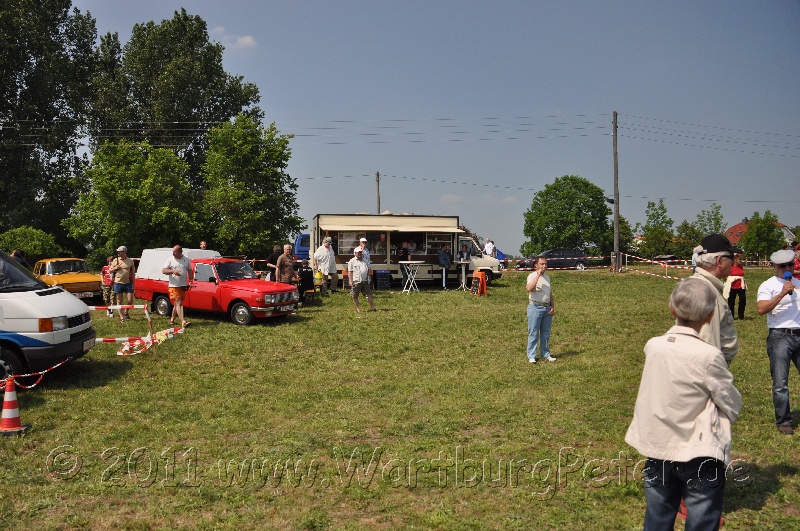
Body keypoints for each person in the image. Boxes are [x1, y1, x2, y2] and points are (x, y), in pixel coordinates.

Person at [626, 278, 742, 529]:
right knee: (701, 520)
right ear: (711, 315)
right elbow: (730, 401)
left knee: (657, 518)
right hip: (699, 452)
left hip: (659, 448)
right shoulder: (709, 355)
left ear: (671, 309)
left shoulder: (654, 346)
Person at [756, 248, 800, 435]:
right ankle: (784, 421)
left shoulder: (798, 283)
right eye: (783, 266)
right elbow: (761, 309)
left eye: (790, 264)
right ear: (775, 266)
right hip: (779, 336)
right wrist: (782, 293)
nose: (787, 268)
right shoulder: (768, 285)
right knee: (780, 382)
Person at [690, 234, 742, 366]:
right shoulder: (705, 292)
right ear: (719, 261)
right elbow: (706, 342)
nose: (733, 262)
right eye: (731, 257)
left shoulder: (702, 285)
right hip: (710, 373)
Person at [525, 256, 556, 363]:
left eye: (545, 264)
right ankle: (532, 356)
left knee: (545, 333)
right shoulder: (531, 276)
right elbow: (529, 288)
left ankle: (545, 354)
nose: (544, 266)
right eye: (542, 264)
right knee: (533, 332)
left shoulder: (547, 278)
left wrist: (552, 306)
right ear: (536, 265)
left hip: (546, 308)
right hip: (535, 307)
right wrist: (537, 276)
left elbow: (550, 293)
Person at [162, 245, 193, 328]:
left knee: (177, 303)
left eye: (175, 251)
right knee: (179, 302)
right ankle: (183, 321)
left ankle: (172, 319)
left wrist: (190, 281)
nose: (173, 253)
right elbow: (164, 270)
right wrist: (173, 271)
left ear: (180, 252)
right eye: (173, 251)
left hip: (183, 285)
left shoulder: (186, 260)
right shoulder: (170, 259)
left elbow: (190, 270)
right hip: (173, 285)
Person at [110, 245, 136, 322]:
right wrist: (116, 268)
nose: (118, 252)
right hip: (118, 283)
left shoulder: (130, 261)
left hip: (128, 283)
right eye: (117, 251)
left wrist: (134, 284)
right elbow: (110, 271)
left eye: (119, 251)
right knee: (119, 301)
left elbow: (133, 273)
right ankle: (122, 318)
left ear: (124, 252)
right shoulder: (115, 260)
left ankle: (126, 312)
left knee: (130, 300)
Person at [348, 247, 376, 313]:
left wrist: (370, 275)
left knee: (369, 294)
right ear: (355, 253)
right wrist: (350, 280)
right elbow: (350, 272)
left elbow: (369, 269)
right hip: (356, 281)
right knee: (355, 295)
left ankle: (373, 307)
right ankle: (358, 308)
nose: (360, 254)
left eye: (361, 252)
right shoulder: (351, 261)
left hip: (365, 280)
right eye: (358, 252)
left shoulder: (365, 261)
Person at [724, 254, 747, 320]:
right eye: (739, 259)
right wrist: (727, 281)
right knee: (731, 301)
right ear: (735, 260)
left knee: (743, 300)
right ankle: (731, 316)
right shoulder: (730, 267)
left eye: (741, 259)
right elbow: (724, 275)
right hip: (732, 286)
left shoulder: (740, 266)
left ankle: (741, 316)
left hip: (740, 286)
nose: (740, 261)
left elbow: (742, 274)